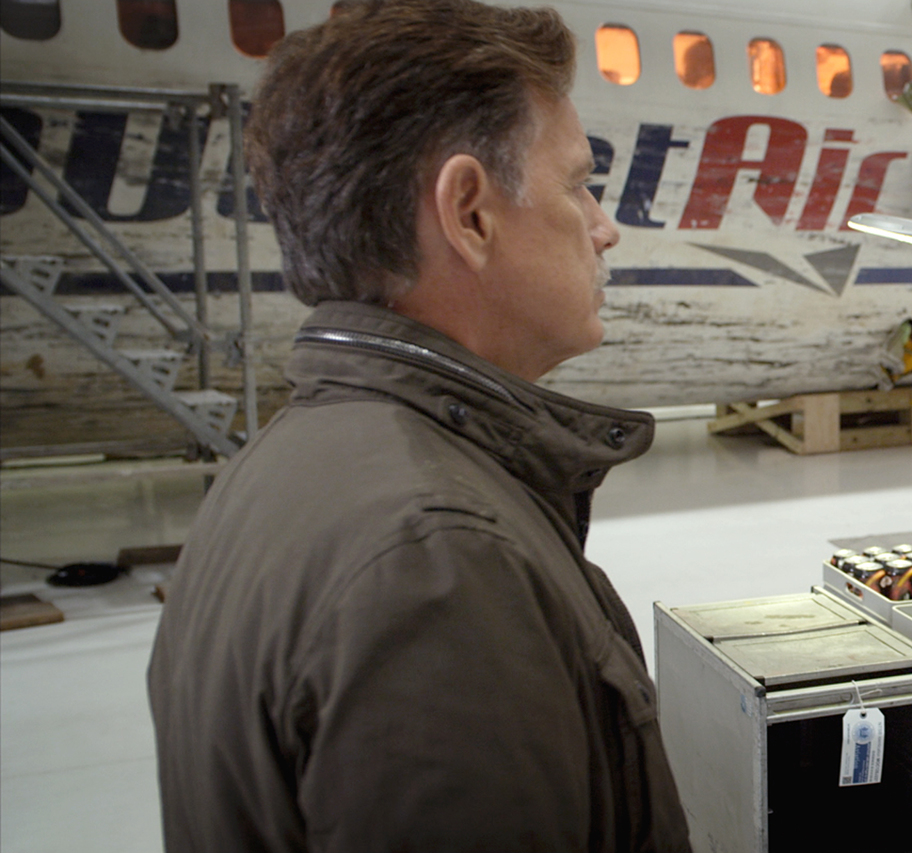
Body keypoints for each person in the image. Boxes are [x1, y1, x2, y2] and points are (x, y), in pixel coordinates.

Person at [146, 1, 692, 850]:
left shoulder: (289, 467)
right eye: (578, 184)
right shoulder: (437, 561)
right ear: (469, 213)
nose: (604, 227)